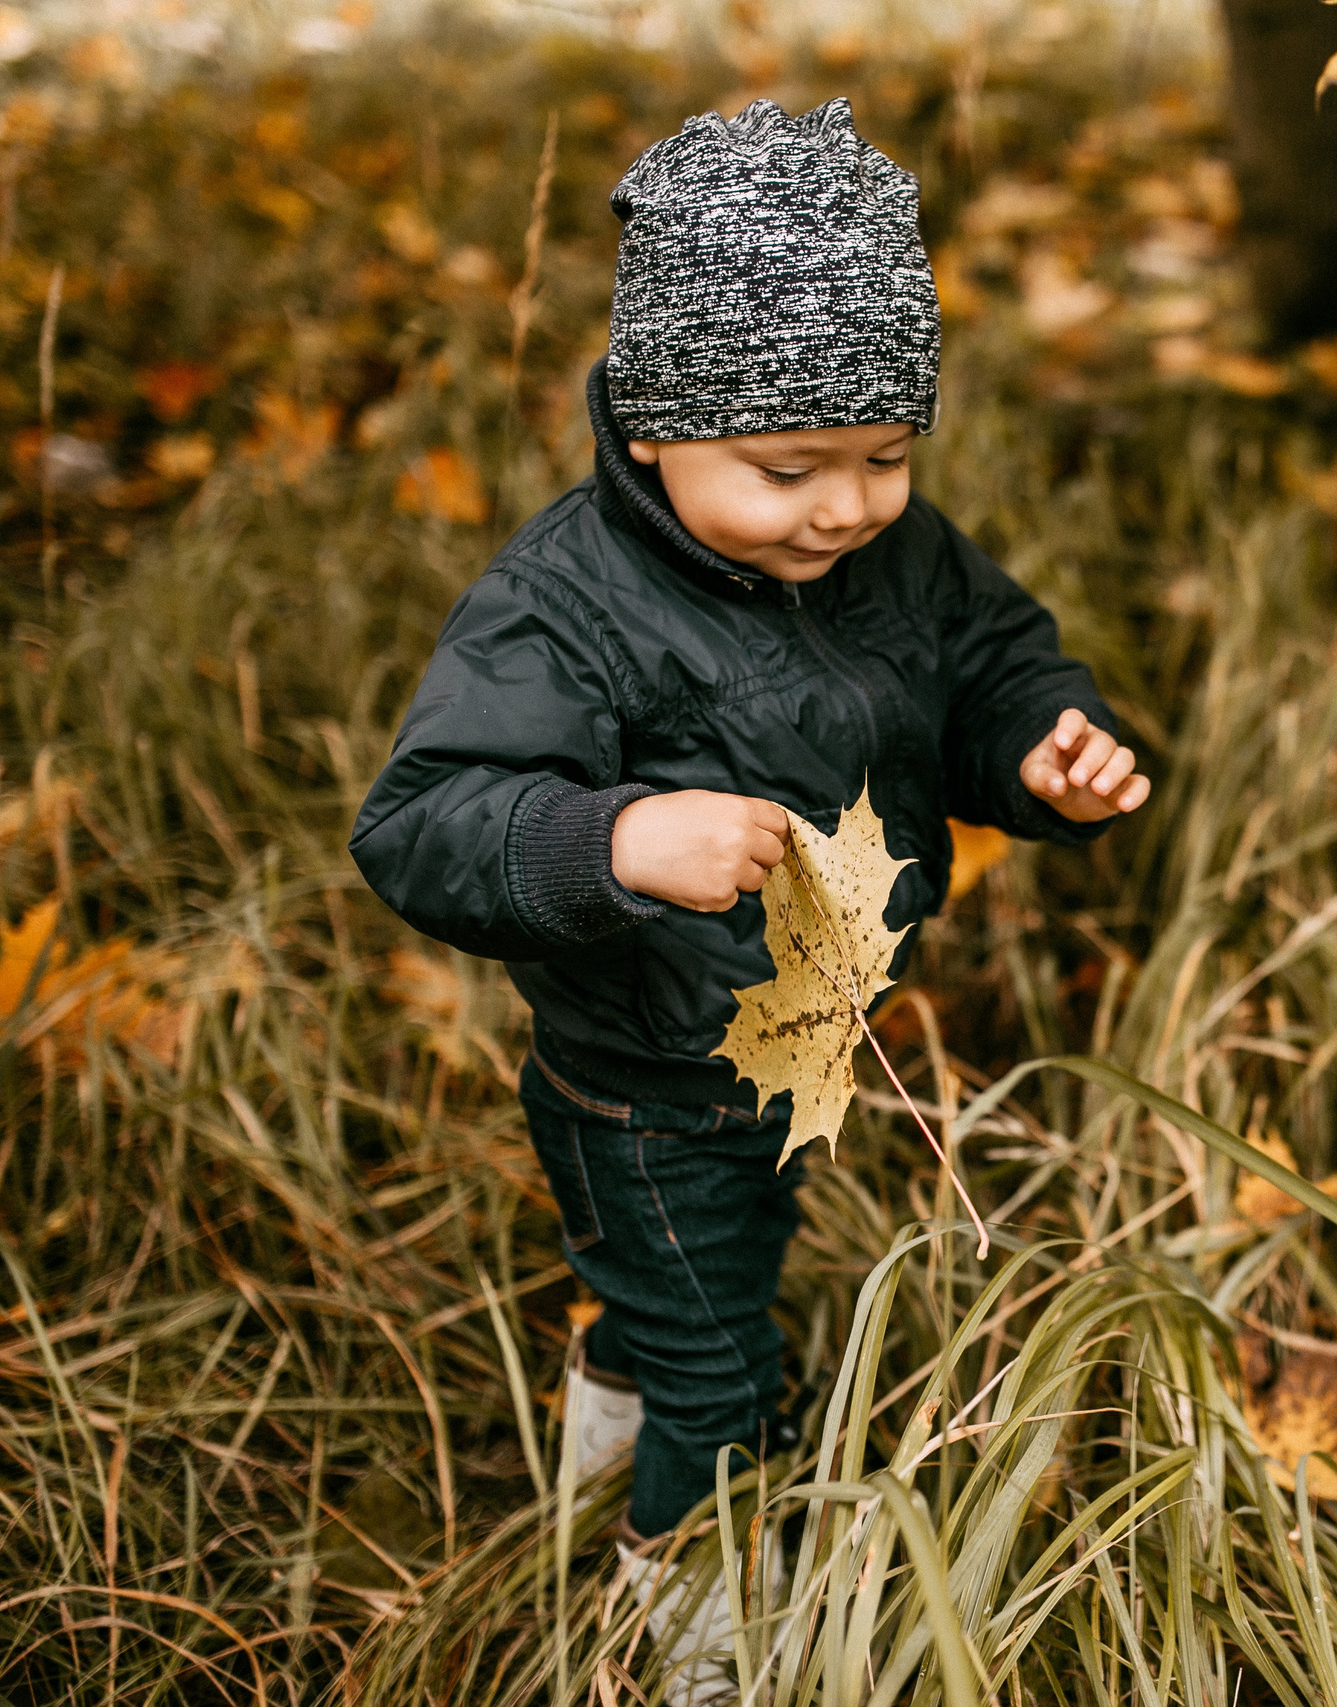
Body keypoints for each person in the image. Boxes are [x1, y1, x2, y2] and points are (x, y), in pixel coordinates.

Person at [348, 97, 1148, 1700]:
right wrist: (616, 840)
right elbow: (420, 823)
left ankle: (598, 1468)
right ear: (656, 428)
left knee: (684, 1304)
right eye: (789, 470)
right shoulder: (562, 607)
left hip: (796, 1051)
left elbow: (987, 664)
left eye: (887, 457)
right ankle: (695, 1644)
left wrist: (1040, 752)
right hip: (642, 1084)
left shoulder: (892, 557)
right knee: (728, 1380)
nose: (845, 508)